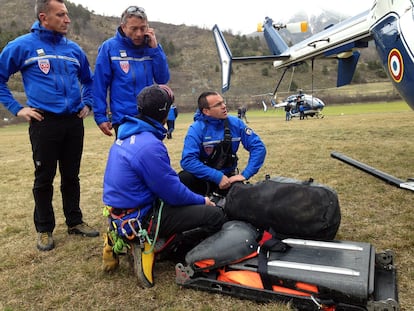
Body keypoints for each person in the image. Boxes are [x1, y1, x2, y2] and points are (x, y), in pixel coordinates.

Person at [101, 85, 226, 286]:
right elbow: (173, 194)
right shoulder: (149, 145)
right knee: (215, 216)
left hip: (123, 209)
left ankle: (121, 235)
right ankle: (157, 246)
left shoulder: (127, 134)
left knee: (185, 179)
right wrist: (203, 201)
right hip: (142, 216)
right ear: (165, 112)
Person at [0, 0, 99, 251]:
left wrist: (87, 102)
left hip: (73, 122)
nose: (68, 19)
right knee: (44, 178)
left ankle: (75, 222)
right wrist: (17, 108)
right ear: (44, 17)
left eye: (67, 15)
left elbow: (89, 81)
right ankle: (44, 229)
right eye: (61, 15)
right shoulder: (22, 46)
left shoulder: (74, 50)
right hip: (44, 122)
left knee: (71, 176)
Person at [92, 6, 170, 137]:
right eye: (134, 29)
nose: (139, 33)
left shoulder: (152, 47)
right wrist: (100, 116)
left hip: (150, 117)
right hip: (124, 118)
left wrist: (156, 50)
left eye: (142, 28)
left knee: (151, 155)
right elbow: (100, 84)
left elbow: (162, 79)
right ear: (123, 27)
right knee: (129, 156)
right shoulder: (109, 48)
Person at [179, 91, 266, 196]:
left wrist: (245, 174)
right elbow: (188, 161)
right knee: (184, 178)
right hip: (203, 178)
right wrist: (217, 177)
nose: (224, 106)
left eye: (223, 102)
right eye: (218, 105)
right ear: (206, 111)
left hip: (229, 179)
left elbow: (258, 147)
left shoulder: (236, 123)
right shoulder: (196, 129)